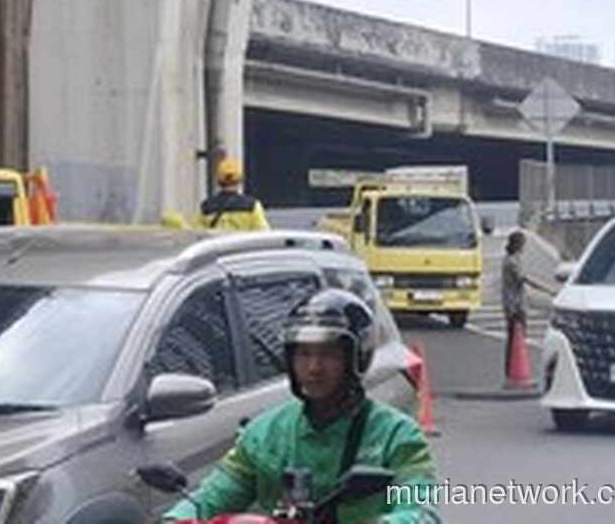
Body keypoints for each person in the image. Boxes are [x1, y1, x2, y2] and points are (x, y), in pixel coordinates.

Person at [163, 289, 441, 523]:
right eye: (304, 354)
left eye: (328, 355)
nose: (314, 368)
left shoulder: (398, 437)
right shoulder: (264, 433)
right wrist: (177, 518)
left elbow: (422, 511)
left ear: (356, 357)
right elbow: (214, 495)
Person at [501, 231, 557, 377]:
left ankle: (512, 369)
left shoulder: (513, 259)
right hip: (515, 305)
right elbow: (524, 279)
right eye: (522, 243)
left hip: (517, 303)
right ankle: (513, 370)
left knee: (515, 338)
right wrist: (548, 289)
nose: (524, 246)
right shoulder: (511, 262)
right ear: (517, 244)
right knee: (516, 338)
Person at [196, 156, 270, 231]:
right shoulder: (252, 206)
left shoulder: (206, 208)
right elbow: (263, 233)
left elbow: (198, 234)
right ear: (240, 180)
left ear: (218, 181)